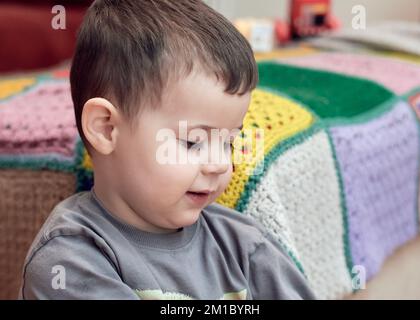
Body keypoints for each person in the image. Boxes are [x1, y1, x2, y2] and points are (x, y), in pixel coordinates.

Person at [20, 0, 315, 300]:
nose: (219, 164)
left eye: (228, 142)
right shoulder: (69, 259)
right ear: (106, 128)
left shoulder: (248, 248)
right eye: (193, 142)